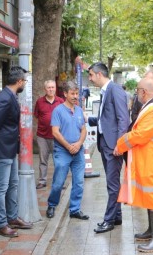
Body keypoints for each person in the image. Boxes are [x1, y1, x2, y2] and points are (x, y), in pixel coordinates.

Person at [113, 74, 153, 253]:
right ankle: (152, 231)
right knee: (150, 195)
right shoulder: (152, 108)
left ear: (144, 92)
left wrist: (120, 145)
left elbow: (139, 135)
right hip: (150, 159)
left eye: (137, 90)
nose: (136, 93)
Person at [0, 66, 33, 238]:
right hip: (1, 148)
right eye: (25, 81)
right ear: (19, 81)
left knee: (13, 184)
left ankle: (12, 217)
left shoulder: (9, 96)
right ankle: (1, 223)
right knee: (1, 188)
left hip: (10, 148)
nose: (25, 84)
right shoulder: (4, 98)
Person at [87, 62, 130, 233]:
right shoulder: (105, 91)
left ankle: (109, 220)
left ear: (99, 74)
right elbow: (108, 118)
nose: (89, 79)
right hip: (105, 142)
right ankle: (117, 216)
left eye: (90, 75)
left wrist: (119, 144)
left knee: (112, 184)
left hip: (113, 145)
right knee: (112, 183)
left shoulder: (115, 89)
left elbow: (123, 119)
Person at [45, 81, 88, 220]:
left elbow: (83, 129)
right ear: (65, 94)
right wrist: (69, 146)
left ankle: (75, 209)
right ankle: (52, 204)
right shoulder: (58, 110)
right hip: (63, 152)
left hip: (78, 151)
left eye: (77, 93)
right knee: (58, 182)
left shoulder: (79, 110)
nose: (75, 96)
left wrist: (79, 143)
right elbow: (55, 132)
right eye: (72, 94)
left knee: (79, 182)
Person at [34, 80, 64, 189]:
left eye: (52, 87)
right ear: (45, 89)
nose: (51, 89)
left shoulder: (60, 101)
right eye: (49, 88)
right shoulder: (39, 102)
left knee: (59, 160)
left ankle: (59, 182)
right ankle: (42, 181)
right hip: (42, 136)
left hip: (57, 137)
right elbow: (36, 116)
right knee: (43, 160)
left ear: (55, 88)